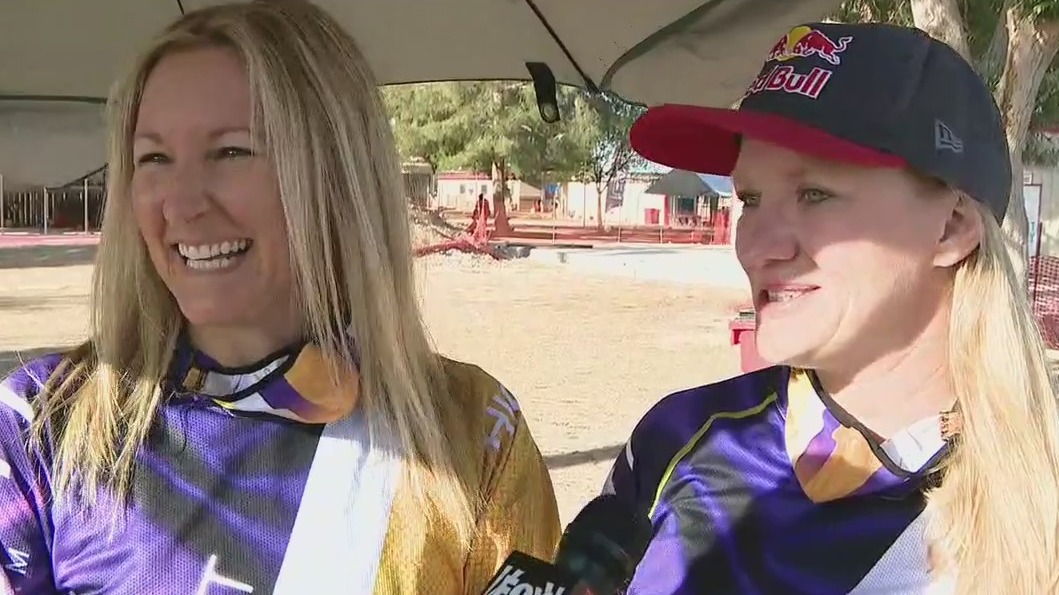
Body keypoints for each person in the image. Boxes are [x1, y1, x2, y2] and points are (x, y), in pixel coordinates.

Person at [0, 1, 560, 593]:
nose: (182, 204)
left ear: (338, 173)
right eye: (154, 158)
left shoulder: (473, 434)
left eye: (232, 151)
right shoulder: (39, 425)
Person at [603, 22, 1059, 594]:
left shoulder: (1041, 490)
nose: (756, 246)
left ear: (951, 227)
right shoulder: (678, 441)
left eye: (814, 193)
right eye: (750, 199)